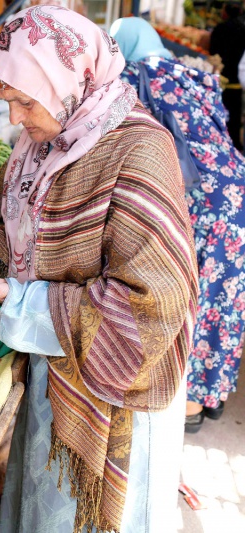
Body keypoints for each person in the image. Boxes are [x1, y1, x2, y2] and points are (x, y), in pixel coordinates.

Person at [0, 6, 197, 533]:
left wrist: (21, 298)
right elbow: (39, 236)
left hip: (117, 385)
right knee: (44, 503)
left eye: (26, 101)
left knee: (89, 516)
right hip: (56, 369)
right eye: (10, 101)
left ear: (71, 83)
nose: (14, 118)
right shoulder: (40, 146)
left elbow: (154, 302)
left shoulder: (140, 152)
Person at [111, 17, 245, 433]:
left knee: (194, 291)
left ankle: (188, 403)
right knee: (227, 294)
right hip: (234, 187)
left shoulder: (139, 75)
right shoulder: (187, 73)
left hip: (203, 199)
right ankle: (214, 395)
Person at [209, 2, 245, 151]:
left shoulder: (220, 28)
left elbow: (212, 51)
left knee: (218, 117)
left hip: (221, 79)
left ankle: (219, 146)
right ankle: (235, 149)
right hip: (237, 84)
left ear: (226, 12)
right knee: (234, 120)